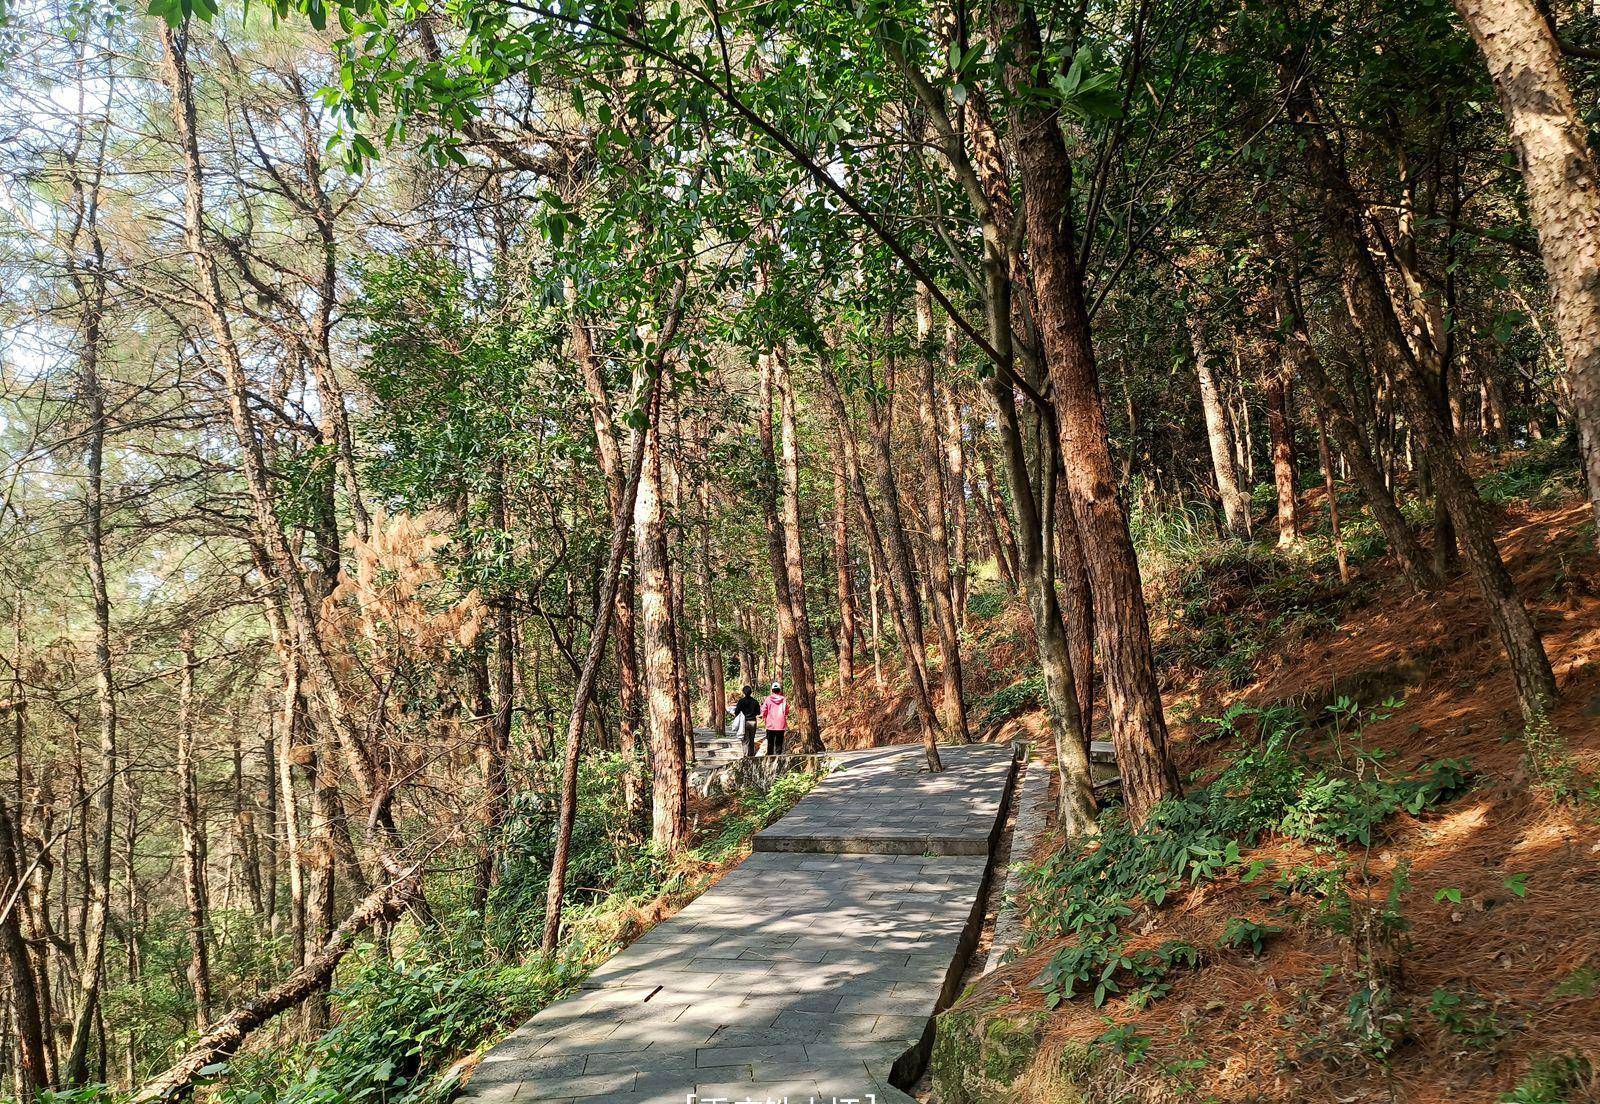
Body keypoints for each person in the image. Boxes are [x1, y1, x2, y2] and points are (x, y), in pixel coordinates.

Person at [727, 685, 760, 758]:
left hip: (744, 722)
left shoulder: (741, 701)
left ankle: (746, 756)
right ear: (751, 692)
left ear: (743, 692)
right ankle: (752, 755)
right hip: (753, 722)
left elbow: (736, 712)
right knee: (752, 739)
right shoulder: (755, 701)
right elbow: (758, 712)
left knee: (745, 740)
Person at [759, 682, 788, 756]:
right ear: (779, 690)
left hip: (770, 724)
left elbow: (764, 710)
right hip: (781, 724)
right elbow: (786, 710)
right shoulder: (784, 699)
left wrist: (763, 716)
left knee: (770, 742)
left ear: (772, 690)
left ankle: (770, 757)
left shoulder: (768, 699)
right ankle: (778, 757)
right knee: (779, 742)